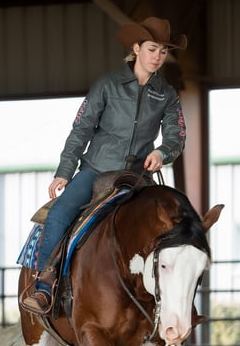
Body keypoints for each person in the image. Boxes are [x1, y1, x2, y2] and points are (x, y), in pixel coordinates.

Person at [22, 16, 188, 315]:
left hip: (137, 176)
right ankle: (45, 287)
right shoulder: (107, 85)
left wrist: (163, 152)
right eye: (152, 49)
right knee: (60, 213)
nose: (158, 57)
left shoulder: (167, 95)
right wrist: (64, 171)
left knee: (171, 227)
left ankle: (163, 302)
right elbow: (81, 130)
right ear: (137, 48)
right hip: (96, 170)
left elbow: (177, 136)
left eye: (164, 51)